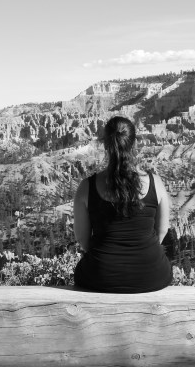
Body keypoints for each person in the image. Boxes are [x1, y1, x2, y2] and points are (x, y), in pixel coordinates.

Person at [73, 115, 172, 293]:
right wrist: (142, 252)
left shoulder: (86, 187)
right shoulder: (155, 183)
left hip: (100, 276)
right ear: (135, 144)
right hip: (152, 275)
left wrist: (106, 259)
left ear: (105, 145)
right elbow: (162, 230)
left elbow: (82, 239)